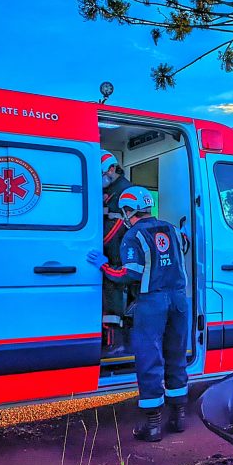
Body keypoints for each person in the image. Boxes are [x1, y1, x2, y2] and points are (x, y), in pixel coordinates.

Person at [87, 186, 190, 441]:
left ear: (127, 210)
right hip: (179, 300)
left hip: (152, 303)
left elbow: (127, 275)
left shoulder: (132, 235)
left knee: (149, 358)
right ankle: (179, 417)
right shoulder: (173, 230)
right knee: (176, 355)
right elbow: (183, 247)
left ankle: (153, 425)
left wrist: (104, 266)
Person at [100, 151, 133, 353]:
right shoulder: (111, 188)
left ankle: (116, 344)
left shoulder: (125, 190)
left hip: (117, 255)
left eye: (102, 173)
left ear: (112, 169)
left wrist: (97, 243)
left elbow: (117, 225)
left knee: (113, 297)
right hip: (111, 254)